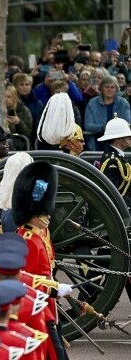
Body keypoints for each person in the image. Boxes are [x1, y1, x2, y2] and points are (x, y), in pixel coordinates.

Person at [12, 161, 73, 360]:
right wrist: (54, 288)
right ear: (32, 213)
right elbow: (24, 281)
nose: (48, 214)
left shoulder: (39, 234)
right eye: (43, 211)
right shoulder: (28, 240)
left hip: (47, 305)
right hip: (36, 308)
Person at [96, 117, 131, 302]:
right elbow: (113, 191)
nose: (130, 138)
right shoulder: (111, 159)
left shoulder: (117, 157)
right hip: (117, 213)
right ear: (118, 139)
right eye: (127, 135)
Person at [84, 76, 131, 150]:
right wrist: (103, 127)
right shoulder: (92, 103)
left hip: (119, 145)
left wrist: (111, 128)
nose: (109, 90)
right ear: (101, 88)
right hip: (96, 145)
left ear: (116, 89)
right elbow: (88, 125)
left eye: (112, 87)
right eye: (106, 87)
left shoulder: (124, 103)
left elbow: (127, 123)